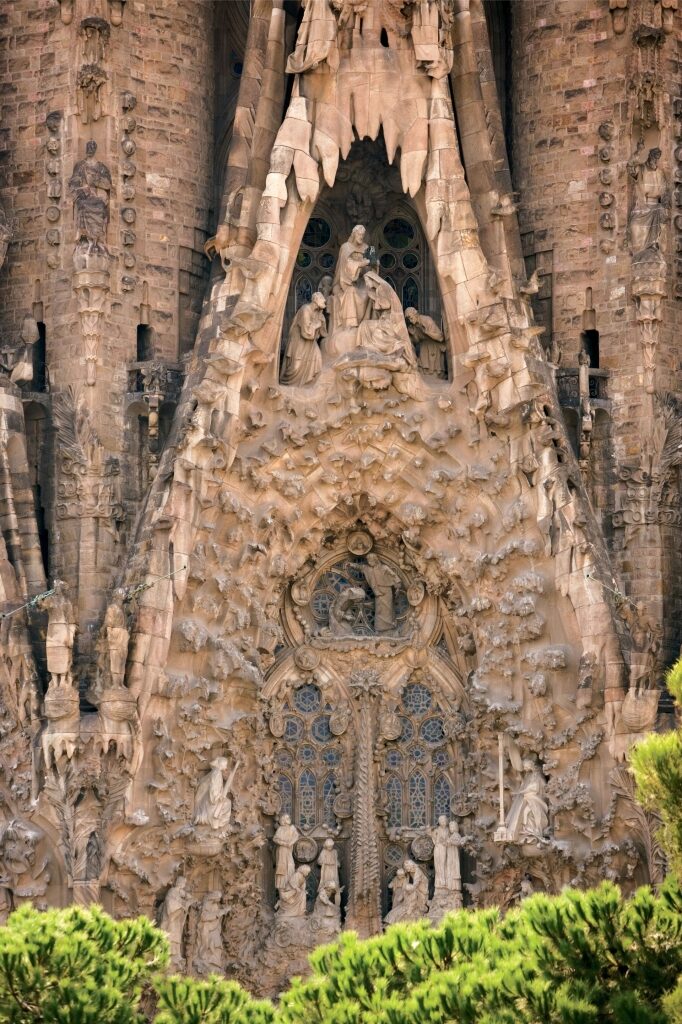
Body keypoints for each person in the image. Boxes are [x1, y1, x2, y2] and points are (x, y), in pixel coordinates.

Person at [280, 292, 327, 386]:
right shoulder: (305, 309)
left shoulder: (318, 313)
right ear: (316, 300)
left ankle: (309, 384)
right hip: (299, 340)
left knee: (317, 358)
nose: (324, 301)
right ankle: (286, 384)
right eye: (322, 299)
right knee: (296, 367)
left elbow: (323, 333)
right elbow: (306, 332)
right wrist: (317, 324)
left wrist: (322, 320)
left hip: (310, 342)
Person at [193, 757, 239, 832]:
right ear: (221, 764)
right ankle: (216, 822)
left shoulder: (215, 772)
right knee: (227, 803)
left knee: (227, 802)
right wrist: (218, 797)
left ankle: (217, 822)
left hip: (207, 801)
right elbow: (213, 790)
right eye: (225, 765)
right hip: (210, 802)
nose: (226, 767)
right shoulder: (217, 773)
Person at [360, 554, 401, 633]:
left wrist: (398, 586)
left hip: (386, 590)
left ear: (375, 560)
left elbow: (394, 575)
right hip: (377, 592)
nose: (369, 562)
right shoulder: (368, 569)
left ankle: (389, 627)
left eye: (371, 561)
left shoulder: (384, 568)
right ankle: (380, 628)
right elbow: (361, 567)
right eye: (368, 561)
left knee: (388, 609)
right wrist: (352, 565)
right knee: (379, 610)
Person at [405, 307, 446, 377]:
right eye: (409, 319)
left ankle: (434, 373)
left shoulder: (427, 320)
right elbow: (416, 341)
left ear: (416, 314)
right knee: (422, 346)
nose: (411, 321)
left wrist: (426, 332)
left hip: (435, 344)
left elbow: (440, 337)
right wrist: (413, 333)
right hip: (424, 345)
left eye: (411, 318)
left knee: (426, 345)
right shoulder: (414, 326)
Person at [273, 813, 299, 892]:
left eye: (288, 818)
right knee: (282, 868)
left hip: (288, 850)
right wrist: (284, 843)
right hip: (282, 850)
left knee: (290, 865)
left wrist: (290, 843)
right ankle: (282, 887)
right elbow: (275, 839)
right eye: (287, 818)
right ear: (283, 820)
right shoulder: (280, 829)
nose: (288, 819)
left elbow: (296, 836)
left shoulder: (292, 828)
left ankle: (290, 884)